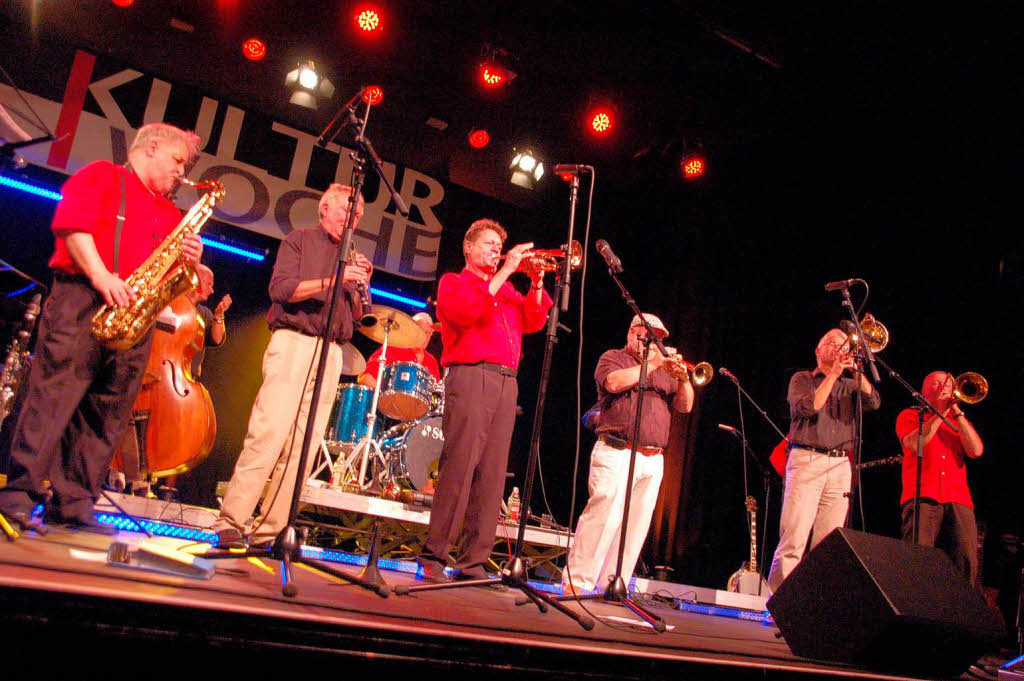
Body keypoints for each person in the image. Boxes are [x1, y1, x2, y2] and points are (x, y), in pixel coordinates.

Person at [0, 123, 203, 533]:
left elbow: (172, 277)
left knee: (107, 413)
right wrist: (103, 277)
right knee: (53, 397)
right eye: (177, 161)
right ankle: (18, 495)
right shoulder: (100, 175)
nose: (182, 173)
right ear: (151, 148)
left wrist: (191, 260)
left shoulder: (170, 212)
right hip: (84, 297)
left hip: (135, 315)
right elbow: (74, 227)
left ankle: (74, 502)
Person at [212, 183, 372, 548]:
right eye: (347, 209)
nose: (353, 217)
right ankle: (231, 520)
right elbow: (282, 291)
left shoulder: (355, 258)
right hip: (294, 342)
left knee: (305, 445)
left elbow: (362, 316)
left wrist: (364, 285)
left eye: (359, 213)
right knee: (268, 434)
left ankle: (269, 531)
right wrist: (338, 279)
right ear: (325, 209)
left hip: (332, 352)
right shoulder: (299, 241)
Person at [417, 219, 552, 583]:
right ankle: (433, 557)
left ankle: (472, 563)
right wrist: (507, 268)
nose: (495, 250)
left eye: (499, 246)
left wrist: (537, 281)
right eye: (489, 244)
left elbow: (534, 321)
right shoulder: (454, 282)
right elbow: (466, 312)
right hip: (472, 375)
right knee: (459, 467)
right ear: (468, 247)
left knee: (492, 475)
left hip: (506, 383)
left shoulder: (506, 291)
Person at [562, 313, 694, 594]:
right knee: (602, 519)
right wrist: (653, 364)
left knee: (634, 529)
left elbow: (685, 406)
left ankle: (612, 585)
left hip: (653, 458)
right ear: (634, 333)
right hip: (617, 451)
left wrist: (683, 378)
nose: (657, 342)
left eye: (660, 337)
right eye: (652, 335)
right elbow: (613, 383)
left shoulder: (663, 370)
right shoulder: (614, 357)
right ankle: (577, 583)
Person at [766, 327, 880, 592]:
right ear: (818, 351)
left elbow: (873, 402)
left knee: (827, 545)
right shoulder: (802, 378)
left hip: (840, 465)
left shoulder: (852, 385)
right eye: (831, 343)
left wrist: (858, 372)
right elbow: (808, 408)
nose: (839, 348)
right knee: (794, 538)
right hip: (807, 460)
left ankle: (813, 608)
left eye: (843, 344)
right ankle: (776, 605)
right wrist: (834, 374)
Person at [896, 371, 984, 583]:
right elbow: (914, 443)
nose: (945, 386)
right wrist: (940, 413)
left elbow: (976, 450)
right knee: (918, 561)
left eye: (949, 384)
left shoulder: (958, 419)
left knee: (965, 562)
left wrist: (957, 413)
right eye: (938, 383)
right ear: (925, 390)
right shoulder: (910, 415)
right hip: (922, 496)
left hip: (958, 499)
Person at [359, 311, 441, 389]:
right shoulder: (393, 348)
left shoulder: (432, 362)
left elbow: (436, 395)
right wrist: (384, 398)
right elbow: (366, 377)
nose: (423, 336)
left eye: (427, 333)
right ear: (410, 331)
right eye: (420, 331)